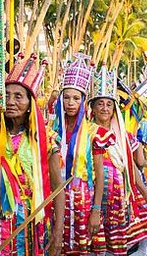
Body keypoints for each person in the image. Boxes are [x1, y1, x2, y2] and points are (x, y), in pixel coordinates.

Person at [0, 54, 64, 255]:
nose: (10, 101)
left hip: (32, 222)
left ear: (30, 103)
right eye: (6, 95)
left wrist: (59, 229)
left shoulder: (47, 139)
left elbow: (57, 186)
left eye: (18, 96)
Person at [88, 66, 147, 256]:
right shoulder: (86, 133)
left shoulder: (122, 136)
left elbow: (132, 168)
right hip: (94, 196)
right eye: (100, 104)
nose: (104, 108)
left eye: (109, 104)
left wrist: (146, 194)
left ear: (114, 108)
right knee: (95, 244)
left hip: (118, 198)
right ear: (92, 108)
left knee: (117, 244)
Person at [52, 54, 114, 254]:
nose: (71, 103)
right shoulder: (50, 131)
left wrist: (96, 210)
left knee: (80, 249)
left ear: (83, 101)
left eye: (76, 98)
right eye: (67, 97)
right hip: (53, 199)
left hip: (82, 200)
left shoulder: (94, 132)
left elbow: (99, 174)